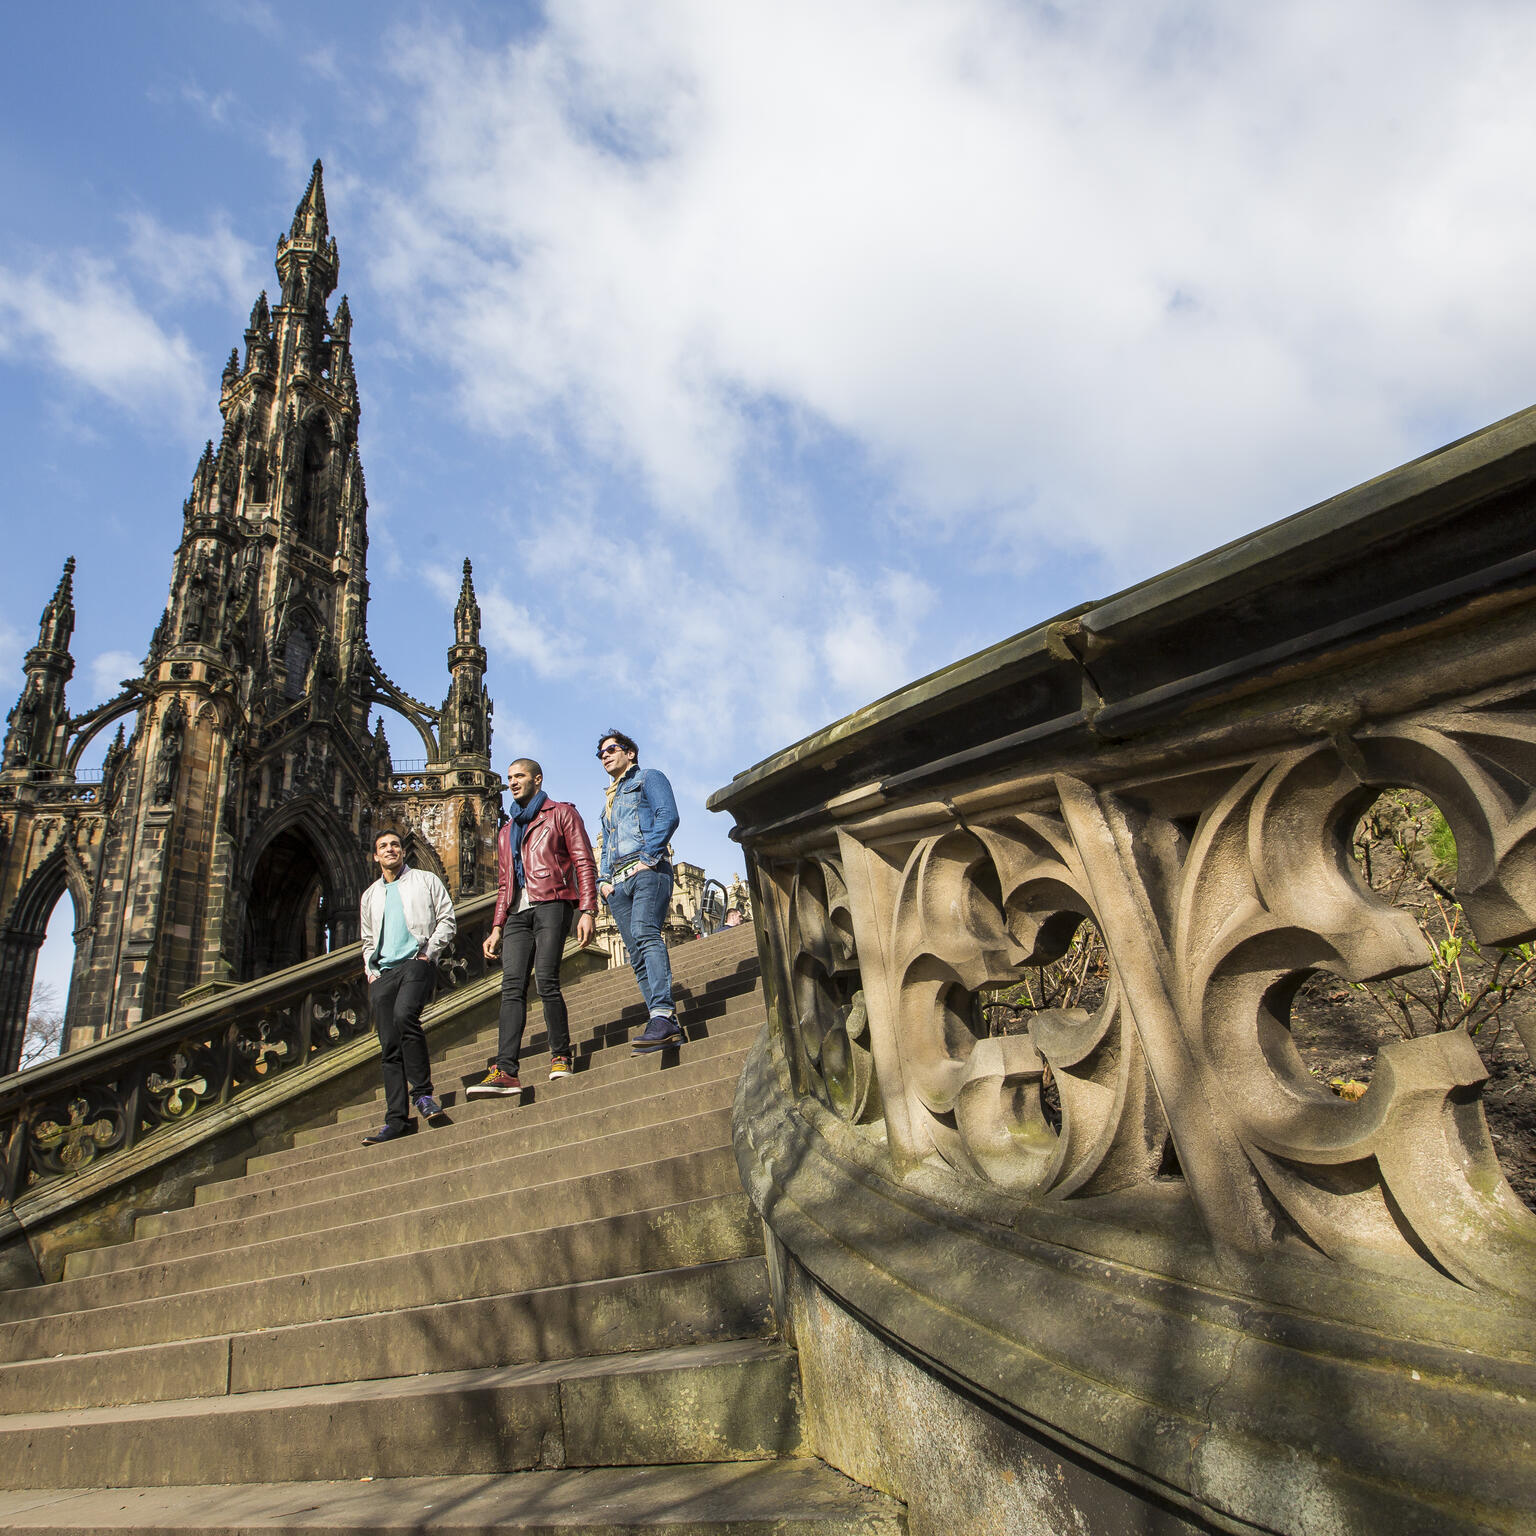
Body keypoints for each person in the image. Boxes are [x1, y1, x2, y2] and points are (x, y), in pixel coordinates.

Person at [470, 758, 598, 1099]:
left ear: (537, 780)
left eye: (520, 776)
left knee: (546, 979)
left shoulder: (561, 813)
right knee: (511, 987)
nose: (512, 782)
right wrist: (497, 925)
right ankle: (506, 1069)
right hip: (516, 914)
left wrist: (587, 909)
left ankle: (560, 1054)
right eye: (509, 777)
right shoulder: (506, 831)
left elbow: (584, 860)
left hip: (553, 902)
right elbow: (503, 883)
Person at [358, 828, 456, 1145]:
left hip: (416, 961)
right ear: (376, 856)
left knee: (405, 1017)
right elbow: (368, 939)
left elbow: (447, 918)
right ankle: (396, 1120)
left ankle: (423, 1095)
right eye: (383, 846)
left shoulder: (425, 881)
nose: (390, 849)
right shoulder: (370, 895)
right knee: (388, 1046)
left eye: (395, 845)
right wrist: (370, 971)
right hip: (383, 973)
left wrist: (429, 952)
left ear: (402, 851)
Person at [596, 729, 683, 1053]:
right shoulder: (610, 799)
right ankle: (664, 1023)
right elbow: (605, 845)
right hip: (618, 885)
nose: (605, 755)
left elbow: (668, 815)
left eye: (611, 749)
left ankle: (662, 1013)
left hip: (647, 872)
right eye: (600, 753)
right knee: (636, 955)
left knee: (646, 934)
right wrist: (604, 883)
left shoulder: (649, 778)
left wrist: (648, 858)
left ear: (629, 753)